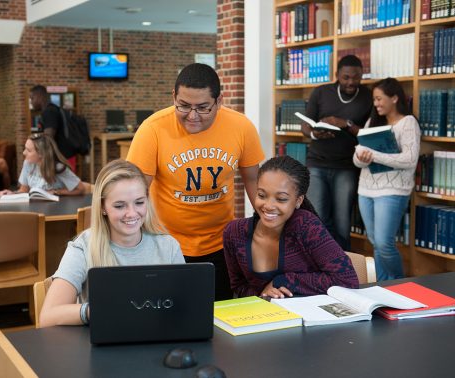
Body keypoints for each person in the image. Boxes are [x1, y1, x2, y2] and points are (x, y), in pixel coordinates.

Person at [126, 63, 265, 300]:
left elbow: (254, 181)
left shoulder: (241, 127)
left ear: (219, 101)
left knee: (217, 318)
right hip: (165, 244)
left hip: (221, 244)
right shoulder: (152, 129)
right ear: (174, 97)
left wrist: (266, 229)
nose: (192, 116)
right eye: (183, 106)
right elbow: (134, 194)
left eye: (202, 108)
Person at [39, 159, 185, 327]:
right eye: (120, 206)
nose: (132, 213)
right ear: (102, 207)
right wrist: (104, 310)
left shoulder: (168, 247)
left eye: (139, 202)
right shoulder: (83, 247)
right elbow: (48, 317)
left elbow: (185, 307)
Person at [223, 156, 359, 298]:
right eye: (262, 195)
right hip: (264, 316)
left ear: (298, 201)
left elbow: (347, 280)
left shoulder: (305, 225)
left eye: (281, 199)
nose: (268, 206)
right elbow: (239, 286)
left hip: (308, 316)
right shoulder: (234, 233)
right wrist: (264, 295)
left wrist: (286, 281)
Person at [301, 55, 372, 251]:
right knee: (318, 218)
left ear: (362, 75)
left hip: (346, 167)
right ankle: (320, 263)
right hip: (317, 164)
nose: (351, 82)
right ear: (337, 75)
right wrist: (315, 133)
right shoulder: (321, 92)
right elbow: (305, 126)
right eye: (346, 77)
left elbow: (368, 133)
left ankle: (343, 266)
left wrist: (346, 124)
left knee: (342, 222)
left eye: (356, 77)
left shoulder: (367, 96)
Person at [353, 78, 420, 281]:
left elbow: (409, 160)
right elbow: (358, 161)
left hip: (392, 192)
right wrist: (361, 157)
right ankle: (383, 286)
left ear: (394, 98)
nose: (376, 104)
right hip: (365, 190)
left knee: (384, 243)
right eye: (374, 99)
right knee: (374, 241)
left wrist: (373, 155)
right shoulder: (371, 123)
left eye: (379, 99)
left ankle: (399, 284)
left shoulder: (408, 123)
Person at [0, 134, 85, 197]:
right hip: (34, 209)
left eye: (29, 150)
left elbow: (81, 189)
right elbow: (24, 190)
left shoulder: (58, 168)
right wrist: (11, 194)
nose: (24, 153)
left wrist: (57, 192)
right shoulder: (27, 163)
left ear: (41, 154)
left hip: (56, 209)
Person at [30, 85, 77, 171]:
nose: (31, 102)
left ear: (39, 96)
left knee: (67, 184)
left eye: (32, 98)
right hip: (63, 157)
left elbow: (48, 137)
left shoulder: (49, 112)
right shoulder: (51, 109)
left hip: (63, 158)